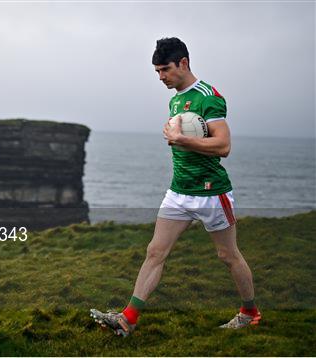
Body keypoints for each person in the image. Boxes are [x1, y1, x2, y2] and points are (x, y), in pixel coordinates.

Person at [90, 37, 261, 336]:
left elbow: (223, 145)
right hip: (179, 192)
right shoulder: (174, 99)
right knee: (155, 251)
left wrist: (181, 139)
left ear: (183, 63)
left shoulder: (210, 97)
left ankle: (249, 312)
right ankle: (128, 318)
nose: (160, 77)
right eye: (156, 71)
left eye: (165, 69)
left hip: (211, 192)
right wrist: (174, 134)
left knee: (228, 256)